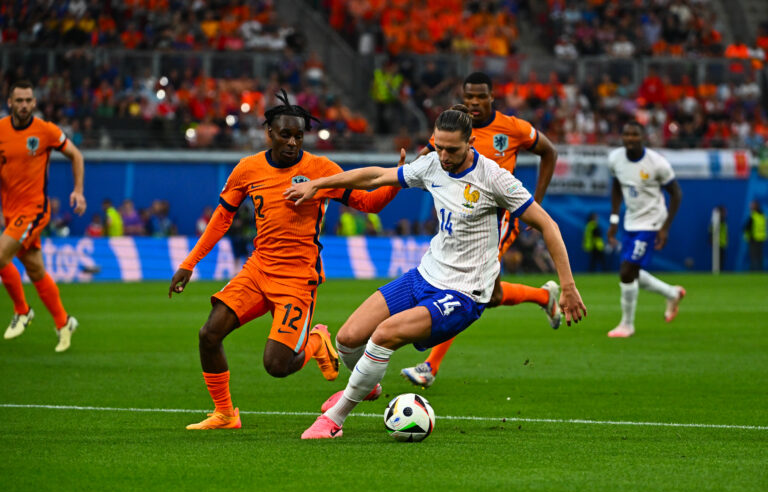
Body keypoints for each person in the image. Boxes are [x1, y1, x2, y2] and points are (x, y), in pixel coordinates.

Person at [284, 105, 586, 439]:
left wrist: (568, 285)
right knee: (347, 340)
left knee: (384, 334)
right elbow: (375, 176)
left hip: (463, 293)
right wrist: (318, 184)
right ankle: (367, 385)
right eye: (438, 146)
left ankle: (334, 421)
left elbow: (548, 225)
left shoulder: (494, 178)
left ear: (471, 142)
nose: (443, 155)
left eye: (451, 149)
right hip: (424, 275)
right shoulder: (431, 164)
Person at [168, 91, 400, 430]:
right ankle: (225, 414)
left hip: (297, 279)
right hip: (258, 269)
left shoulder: (321, 170)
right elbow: (221, 219)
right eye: (285, 135)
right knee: (209, 334)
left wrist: (399, 178)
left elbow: (368, 203)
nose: (293, 142)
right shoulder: (247, 169)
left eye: (299, 136)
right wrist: (190, 263)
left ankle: (318, 342)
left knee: (277, 365)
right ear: (269, 133)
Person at [400, 72, 561, 388]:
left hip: (499, 219)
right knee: (491, 295)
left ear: (491, 98)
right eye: (469, 96)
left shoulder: (512, 128)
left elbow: (549, 152)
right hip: (461, 217)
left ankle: (430, 366)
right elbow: (427, 158)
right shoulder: (455, 127)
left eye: (480, 97)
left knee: (463, 288)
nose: (474, 102)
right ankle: (544, 296)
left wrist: (536, 203)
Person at [0, 80, 86, 351]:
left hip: (35, 210)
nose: (24, 105)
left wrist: (78, 191)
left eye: (28, 100)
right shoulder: (0, 131)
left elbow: (76, 155)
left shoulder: (46, 131)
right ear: (10, 103)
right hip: (11, 213)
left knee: (0, 256)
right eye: (19, 100)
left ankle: (22, 311)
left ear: (34, 103)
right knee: (36, 269)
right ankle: (64, 322)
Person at [606, 120, 685, 338]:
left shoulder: (657, 163)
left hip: (651, 222)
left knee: (626, 271)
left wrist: (665, 227)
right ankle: (672, 293)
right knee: (633, 272)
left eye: (635, 134)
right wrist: (613, 220)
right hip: (630, 221)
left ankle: (627, 324)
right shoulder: (615, 159)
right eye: (626, 134)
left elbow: (676, 193)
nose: (630, 138)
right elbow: (616, 187)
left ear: (643, 137)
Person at [743, 200, 765, 271]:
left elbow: (746, 228)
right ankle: (759, 272)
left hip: (753, 239)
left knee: (754, 257)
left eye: (752, 205)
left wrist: (747, 236)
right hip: (761, 239)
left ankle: (754, 272)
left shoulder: (753, 216)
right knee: (759, 257)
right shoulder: (762, 216)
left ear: (755, 206)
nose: (750, 207)